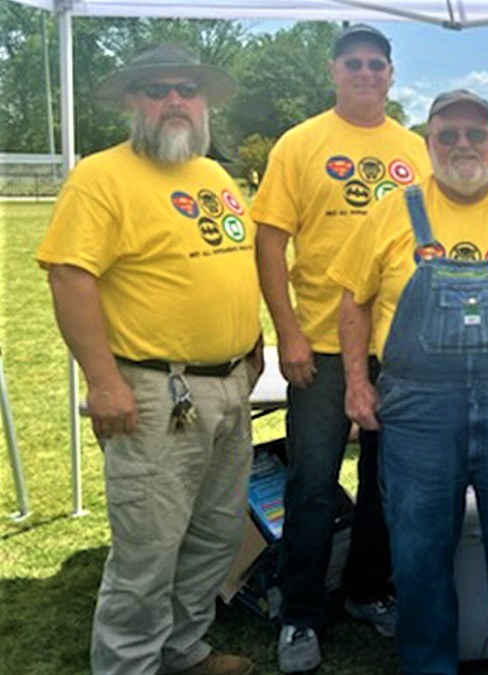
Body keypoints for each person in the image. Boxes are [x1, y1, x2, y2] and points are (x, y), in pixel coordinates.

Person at [330, 89, 488, 675]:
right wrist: (358, 383)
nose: (463, 145)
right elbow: (351, 301)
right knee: (418, 551)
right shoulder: (395, 211)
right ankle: (428, 662)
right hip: (417, 409)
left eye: (475, 133)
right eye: (448, 134)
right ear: (429, 142)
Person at [37, 43, 262, 675]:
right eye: (157, 89)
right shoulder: (101, 176)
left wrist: (252, 342)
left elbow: (228, 267)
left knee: (214, 535)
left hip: (227, 386)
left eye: (186, 89)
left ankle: (181, 651)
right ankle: (130, 664)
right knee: (149, 549)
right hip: (154, 391)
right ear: (133, 102)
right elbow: (69, 279)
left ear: (203, 102)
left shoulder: (214, 176)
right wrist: (103, 383)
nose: (174, 101)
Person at [249, 23, 432, 673]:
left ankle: (365, 590)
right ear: (334, 72)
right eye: (351, 63)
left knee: (392, 483)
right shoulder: (301, 144)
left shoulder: (417, 148)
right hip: (321, 347)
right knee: (312, 482)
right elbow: (269, 241)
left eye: (374, 64)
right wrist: (288, 333)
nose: (363, 73)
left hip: (403, 349)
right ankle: (299, 612)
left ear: (390, 74)